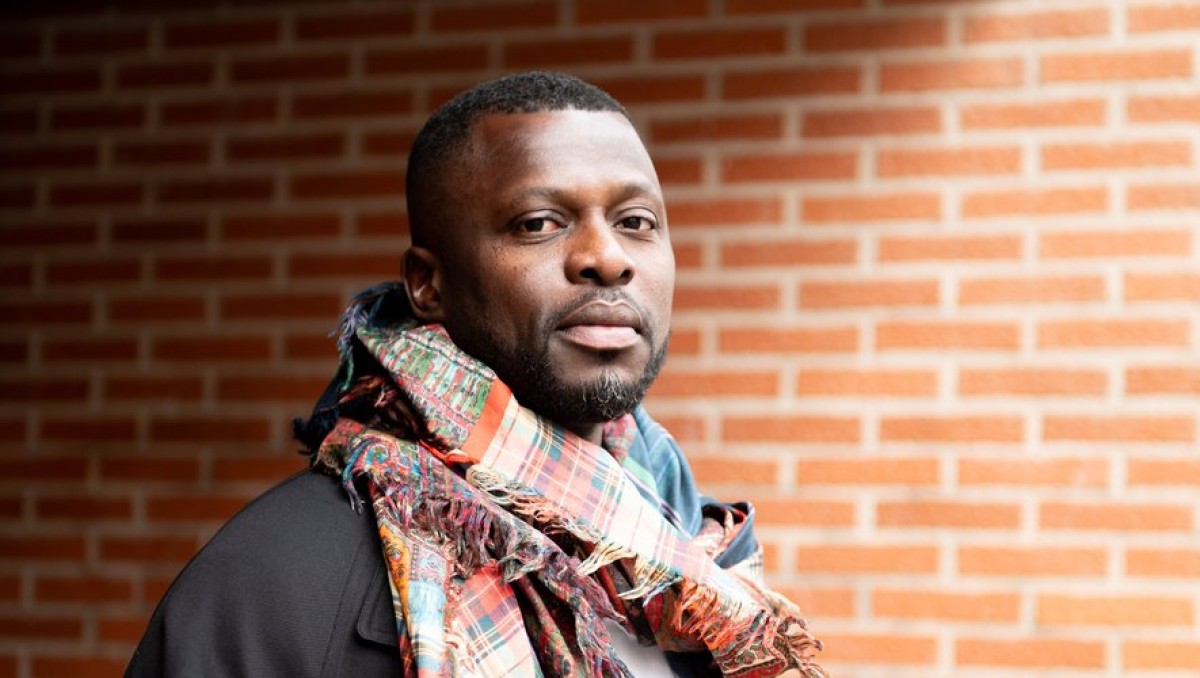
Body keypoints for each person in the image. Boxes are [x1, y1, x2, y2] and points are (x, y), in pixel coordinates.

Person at [126, 71, 825, 677]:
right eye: (539, 224)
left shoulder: (696, 564)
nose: (608, 258)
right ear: (428, 285)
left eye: (637, 221)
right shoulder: (272, 584)